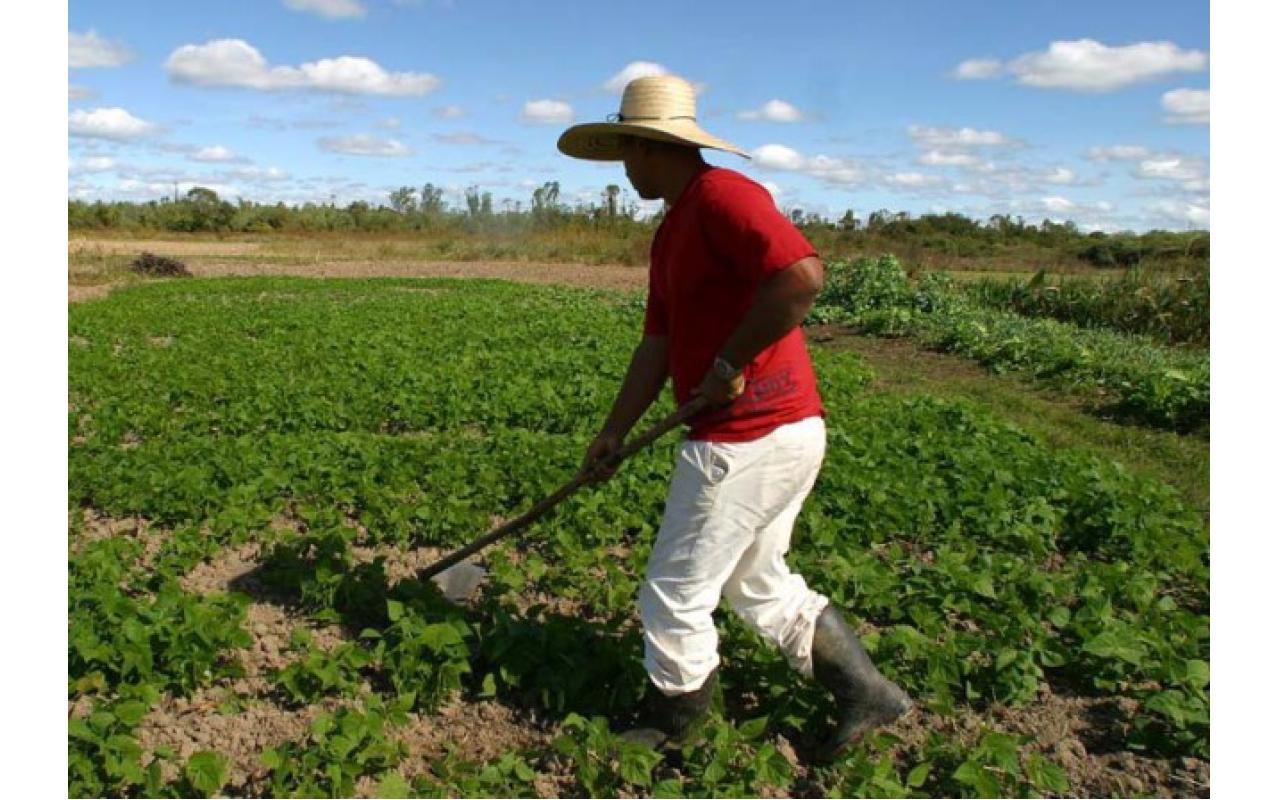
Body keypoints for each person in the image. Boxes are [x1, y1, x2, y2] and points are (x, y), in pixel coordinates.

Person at [557, 74, 911, 759]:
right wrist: (613, 432)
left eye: (627, 153)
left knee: (673, 593)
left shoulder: (724, 196)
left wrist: (728, 362)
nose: (625, 169)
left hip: (749, 435)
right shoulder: (673, 232)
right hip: (777, 432)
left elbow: (801, 277)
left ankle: (674, 726)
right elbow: (656, 345)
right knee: (756, 582)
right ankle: (866, 691)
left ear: (651, 146)